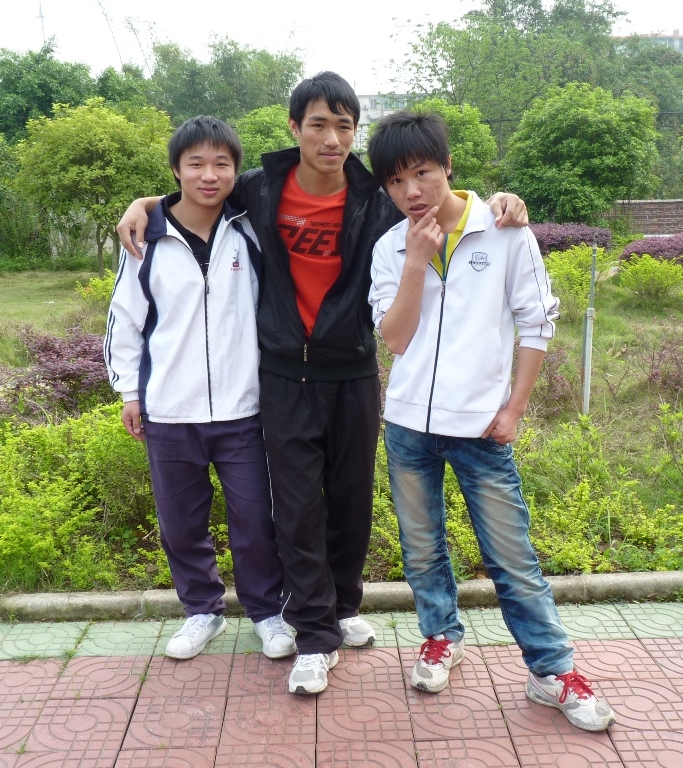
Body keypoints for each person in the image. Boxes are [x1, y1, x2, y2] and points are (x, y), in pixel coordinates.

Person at [116, 73, 527, 695]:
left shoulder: (376, 195)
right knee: (297, 507)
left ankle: (339, 605)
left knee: (351, 503)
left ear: (355, 132)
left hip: (352, 371)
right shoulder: (260, 188)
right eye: (318, 125)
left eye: (344, 126)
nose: (332, 139)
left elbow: (437, 196)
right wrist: (144, 204)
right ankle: (313, 636)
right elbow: (198, 190)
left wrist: (501, 199)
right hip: (283, 375)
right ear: (295, 128)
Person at [367, 110, 616, 732]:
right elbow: (395, 339)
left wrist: (515, 408)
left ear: (448, 166)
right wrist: (415, 263)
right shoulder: (390, 247)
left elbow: (536, 322)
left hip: (480, 427)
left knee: (511, 556)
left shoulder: (505, 231)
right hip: (408, 426)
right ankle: (440, 637)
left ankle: (552, 671)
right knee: (422, 549)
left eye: (422, 173)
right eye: (396, 181)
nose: (412, 191)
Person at [104, 116, 295, 662]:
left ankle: (267, 612)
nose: (209, 175)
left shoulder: (251, 229)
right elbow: (125, 319)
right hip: (169, 410)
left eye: (221, 164)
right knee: (181, 524)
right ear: (176, 170)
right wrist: (129, 392)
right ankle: (201, 611)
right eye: (196, 164)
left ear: (236, 171)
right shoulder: (146, 240)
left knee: (255, 521)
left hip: (243, 409)